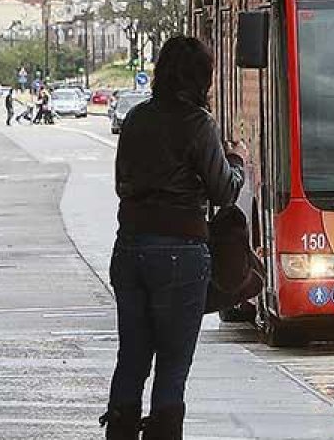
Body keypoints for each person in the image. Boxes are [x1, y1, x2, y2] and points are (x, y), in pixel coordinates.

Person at [99, 36, 245, 440]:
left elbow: (121, 183)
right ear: (201, 78)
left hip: (129, 248)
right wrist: (237, 159)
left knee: (132, 358)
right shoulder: (198, 123)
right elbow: (224, 191)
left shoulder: (136, 118)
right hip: (180, 250)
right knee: (172, 365)